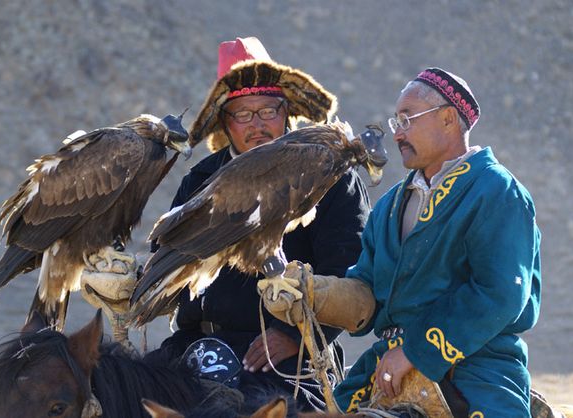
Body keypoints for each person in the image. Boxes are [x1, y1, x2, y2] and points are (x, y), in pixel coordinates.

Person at [262, 67, 541, 417]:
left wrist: (415, 352)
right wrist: (314, 294)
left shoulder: (496, 191)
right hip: (386, 365)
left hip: (478, 367)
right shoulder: (391, 204)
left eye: (407, 120)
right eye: (396, 122)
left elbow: (501, 294)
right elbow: (367, 290)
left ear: (448, 119)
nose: (396, 135)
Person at [150, 36, 371, 411]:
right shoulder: (201, 178)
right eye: (243, 114)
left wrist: (294, 335)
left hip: (286, 353)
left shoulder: (329, 174)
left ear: (287, 113)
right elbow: (170, 258)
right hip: (195, 346)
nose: (258, 125)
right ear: (225, 122)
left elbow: (351, 270)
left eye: (268, 110)